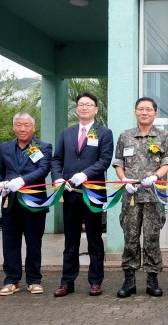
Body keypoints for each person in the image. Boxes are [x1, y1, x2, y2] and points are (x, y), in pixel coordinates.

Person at [51, 92, 113, 297]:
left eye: (89, 104)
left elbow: (104, 161)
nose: (84, 107)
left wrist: (84, 175)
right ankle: (67, 281)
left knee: (94, 238)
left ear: (96, 109)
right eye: (81, 104)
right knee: (71, 240)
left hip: (92, 193)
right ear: (77, 109)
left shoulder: (104, 133)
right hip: (69, 194)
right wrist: (58, 177)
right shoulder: (66, 133)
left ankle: (95, 281)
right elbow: (56, 159)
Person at [113, 97, 168, 298]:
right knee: (130, 238)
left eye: (149, 109)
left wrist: (156, 177)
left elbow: (167, 162)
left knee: (151, 239)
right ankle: (129, 280)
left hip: (153, 195)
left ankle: (152, 279)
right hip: (130, 196)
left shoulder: (163, 136)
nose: (144, 112)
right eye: (141, 109)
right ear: (135, 112)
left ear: (155, 113)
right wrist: (124, 181)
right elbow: (118, 163)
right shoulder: (125, 136)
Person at [0, 112, 52, 296]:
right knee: (10, 242)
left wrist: (21, 181)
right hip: (10, 202)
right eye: (19, 125)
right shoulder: (5, 147)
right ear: (13, 127)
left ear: (34, 128)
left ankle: (34, 280)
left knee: (34, 241)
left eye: (26, 125)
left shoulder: (43, 146)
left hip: (34, 201)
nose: (22, 129)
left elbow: (43, 170)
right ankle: (12, 280)